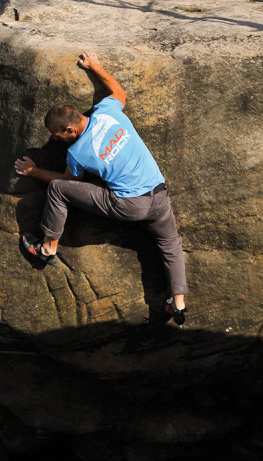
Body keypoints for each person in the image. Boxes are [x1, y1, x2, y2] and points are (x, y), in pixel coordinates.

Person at [13, 51, 188, 324]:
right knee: (170, 244)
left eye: (57, 135)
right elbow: (119, 91)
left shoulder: (78, 153)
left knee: (58, 189)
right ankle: (178, 305)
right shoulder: (107, 111)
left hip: (128, 205)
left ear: (70, 130)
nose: (56, 140)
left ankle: (47, 248)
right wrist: (95, 67)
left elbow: (69, 181)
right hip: (158, 193)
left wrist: (33, 171)